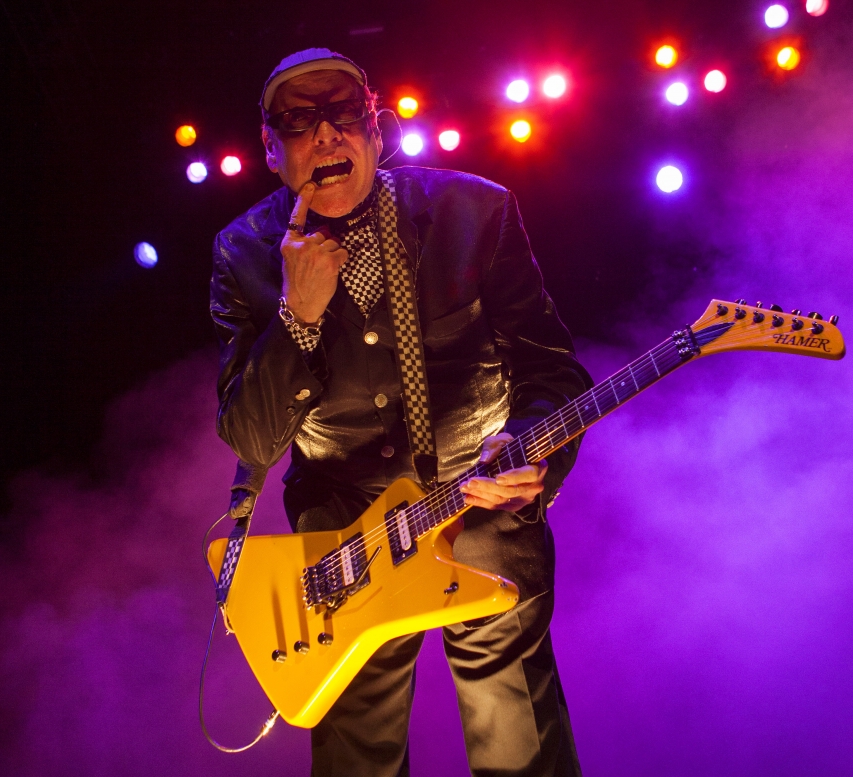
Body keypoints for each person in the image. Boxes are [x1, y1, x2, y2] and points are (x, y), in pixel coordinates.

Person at [210, 48, 592, 777]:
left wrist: (534, 451)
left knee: (517, 727)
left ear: (376, 130)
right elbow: (253, 437)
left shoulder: (475, 211)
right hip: (345, 536)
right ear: (269, 148)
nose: (326, 136)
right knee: (358, 748)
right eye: (298, 122)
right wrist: (297, 317)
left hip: (480, 504)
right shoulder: (242, 253)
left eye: (343, 113)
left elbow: (553, 370)